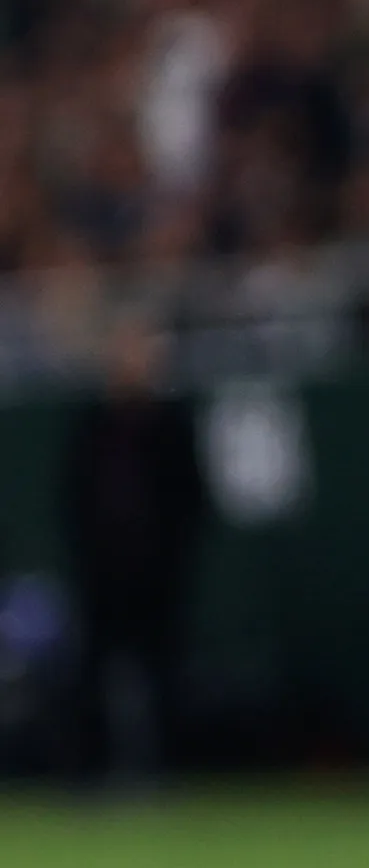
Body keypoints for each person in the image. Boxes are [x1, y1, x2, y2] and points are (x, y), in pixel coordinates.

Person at [59, 315, 206, 790]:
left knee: (164, 674)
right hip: (103, 575)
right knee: (92, 675)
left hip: (157, 575)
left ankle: (167, 772)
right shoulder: (91, 423)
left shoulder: (171, 424)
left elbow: (192, 500)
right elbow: (72, 498)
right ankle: (89, 775)